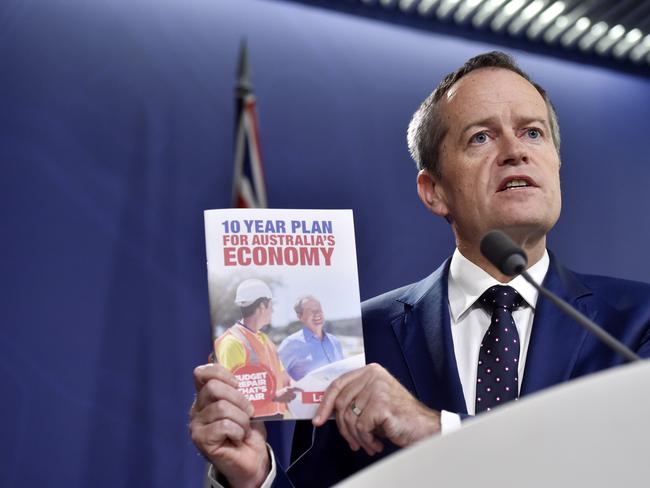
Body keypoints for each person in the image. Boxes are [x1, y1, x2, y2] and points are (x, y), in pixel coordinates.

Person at [190, 51, 650, 487]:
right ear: (434, 192)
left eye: (533, 132)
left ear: (556, 165)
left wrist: (438, 432)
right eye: (481, 137)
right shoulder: (360, 340)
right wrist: (254, 478)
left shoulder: (634, 326)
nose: (515, 151)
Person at [213, 278, 296, 419]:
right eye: (271, 305)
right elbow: (234, 393)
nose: (273, 310)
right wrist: (274, 396)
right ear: (262, 306)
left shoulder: (265, 340)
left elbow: (282, 376)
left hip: (275, 417)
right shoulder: (232, 342)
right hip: (252, 422)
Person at [278, 295, 344, 381]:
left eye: (319, 309)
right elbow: (276, 375)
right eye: (310, 311)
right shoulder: (291, 343)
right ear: (300, 317)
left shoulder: (335, 342)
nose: (317, 313)